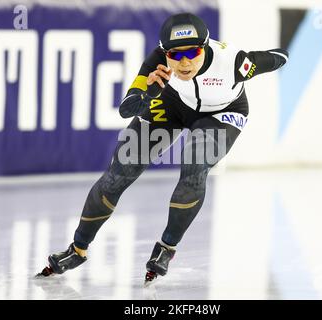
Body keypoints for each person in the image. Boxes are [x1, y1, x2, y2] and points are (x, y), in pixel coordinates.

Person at [37, 12, 288, 285]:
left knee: (195, 160)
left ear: (204, 46)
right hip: (172, 103)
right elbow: (127, 107)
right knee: (119, 172)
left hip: (223, 112)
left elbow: (276, 57)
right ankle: (77, 249)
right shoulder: (157, 61)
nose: (183, 62)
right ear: (164, 52)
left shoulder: (236, 63)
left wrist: (283, 54)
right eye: (174, 54)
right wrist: (146, 94)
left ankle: (167, 248)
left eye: (192, 52)